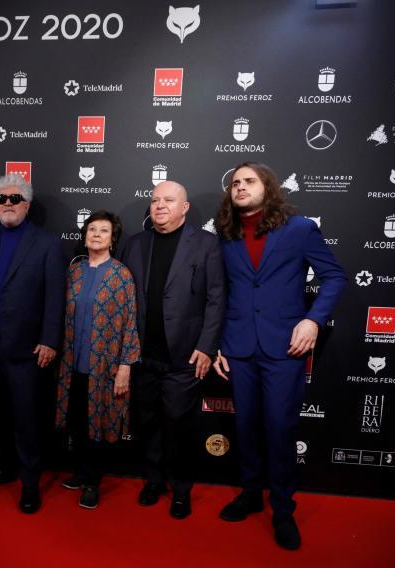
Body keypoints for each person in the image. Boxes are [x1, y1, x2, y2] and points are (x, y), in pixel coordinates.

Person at [213, 162, 346, 550]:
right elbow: (220, 292)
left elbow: (335, 277)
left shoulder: (300, 228)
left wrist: (313, 322)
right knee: (246, 427)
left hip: (284, 346)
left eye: (249, 181)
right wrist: (218, 342)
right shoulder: (226, 235)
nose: (240, 187)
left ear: (267, 187)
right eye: (235, 183)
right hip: (238, 345)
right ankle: (252, 495)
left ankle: (283, 509)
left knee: (279, 428)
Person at [120, 180, 225, 519]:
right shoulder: (135, 244)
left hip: (184, 359)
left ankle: (181, 490)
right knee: (147, 423)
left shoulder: (206, 245)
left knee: (179, 427)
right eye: (154, 200)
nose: (160, 205)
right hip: (142, 357)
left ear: (185, 207)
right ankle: (153, 481)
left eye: (168, 200)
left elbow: (216, 300)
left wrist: (207, 347)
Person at [0, 173, 66, 513]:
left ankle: (30, 484)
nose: (8, 204)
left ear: (26, 205)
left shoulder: (46, 243)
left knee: (27, 421)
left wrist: (49, 340)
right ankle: (2, 468)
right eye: (2, 199)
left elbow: (55, 297)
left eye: (15, 199)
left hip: (28, 351)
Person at [55, 210, 140, 509]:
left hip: (104, 366)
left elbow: (130, 322)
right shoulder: (74, 271)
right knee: (77, 421)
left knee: (98, 424)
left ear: (112, 239)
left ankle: (93, 481)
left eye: (103, 230)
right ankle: (79, 471)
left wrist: (125, 367)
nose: (96, 234)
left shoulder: (121, 275)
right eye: (92, 229)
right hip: (71, 363)